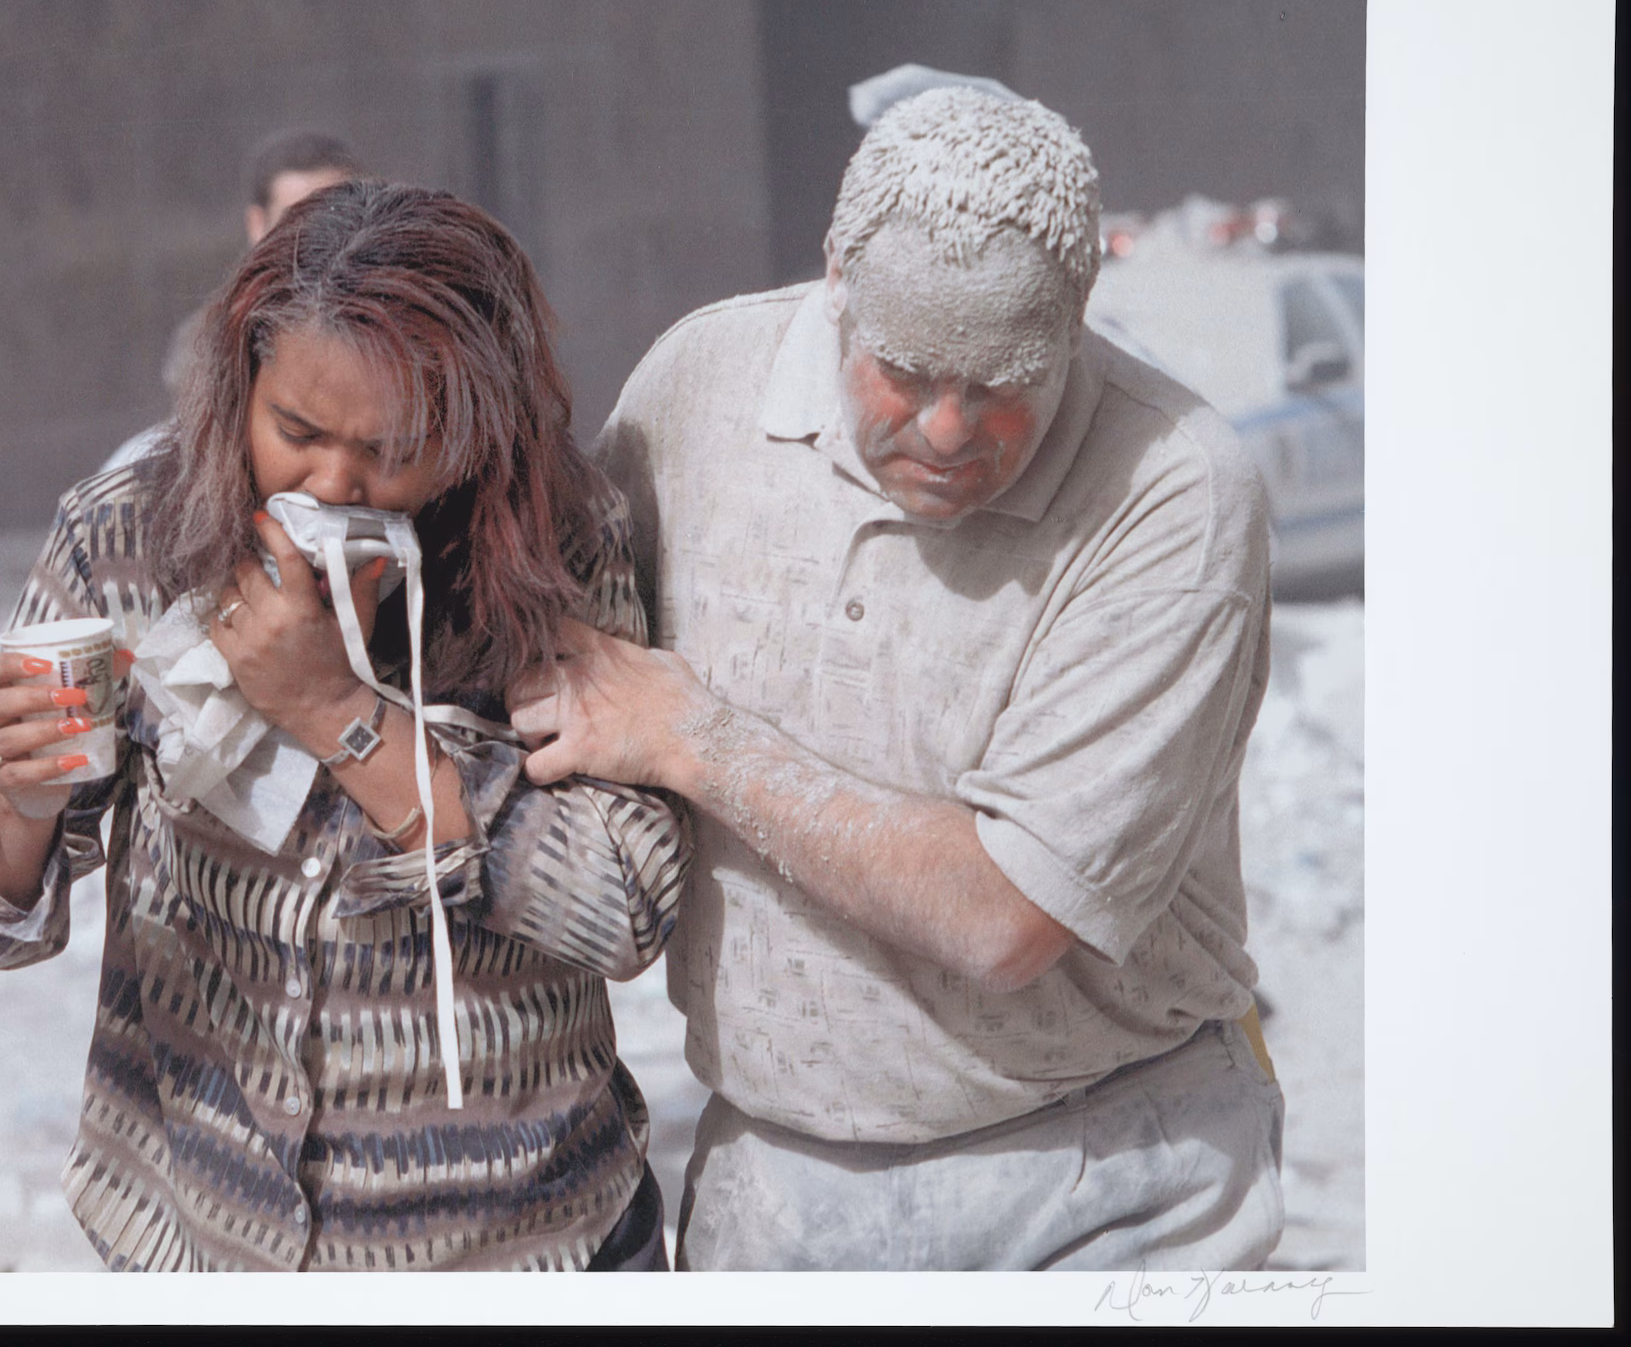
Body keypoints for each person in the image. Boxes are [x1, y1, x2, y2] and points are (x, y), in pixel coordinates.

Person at [505, 86, 1285, 1271]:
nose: (947, 427)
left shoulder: (1171, 492)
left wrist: (693, 738)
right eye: (904, 369)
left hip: (1105, 1178)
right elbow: (559, 658)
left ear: (1078, 315)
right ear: (833, 277)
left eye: (1004, 380)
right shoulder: (698, 388)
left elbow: (1005, 916)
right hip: (773, 1181)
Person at [0, 180, 687, 1272]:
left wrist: (336, 710)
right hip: (196, 1232)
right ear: (239, 390)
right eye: (297, 431)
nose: (334, 481)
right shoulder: (129, 536)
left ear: (481, 427)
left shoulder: (554, 552)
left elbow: (627, 906)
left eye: (397, 444)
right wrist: (23, 807)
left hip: (516, 1241)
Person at [102, 130, 366, 472]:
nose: (320, 233)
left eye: (337, 212)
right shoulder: (212, 344)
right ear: (258, 224)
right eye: (296, 218)